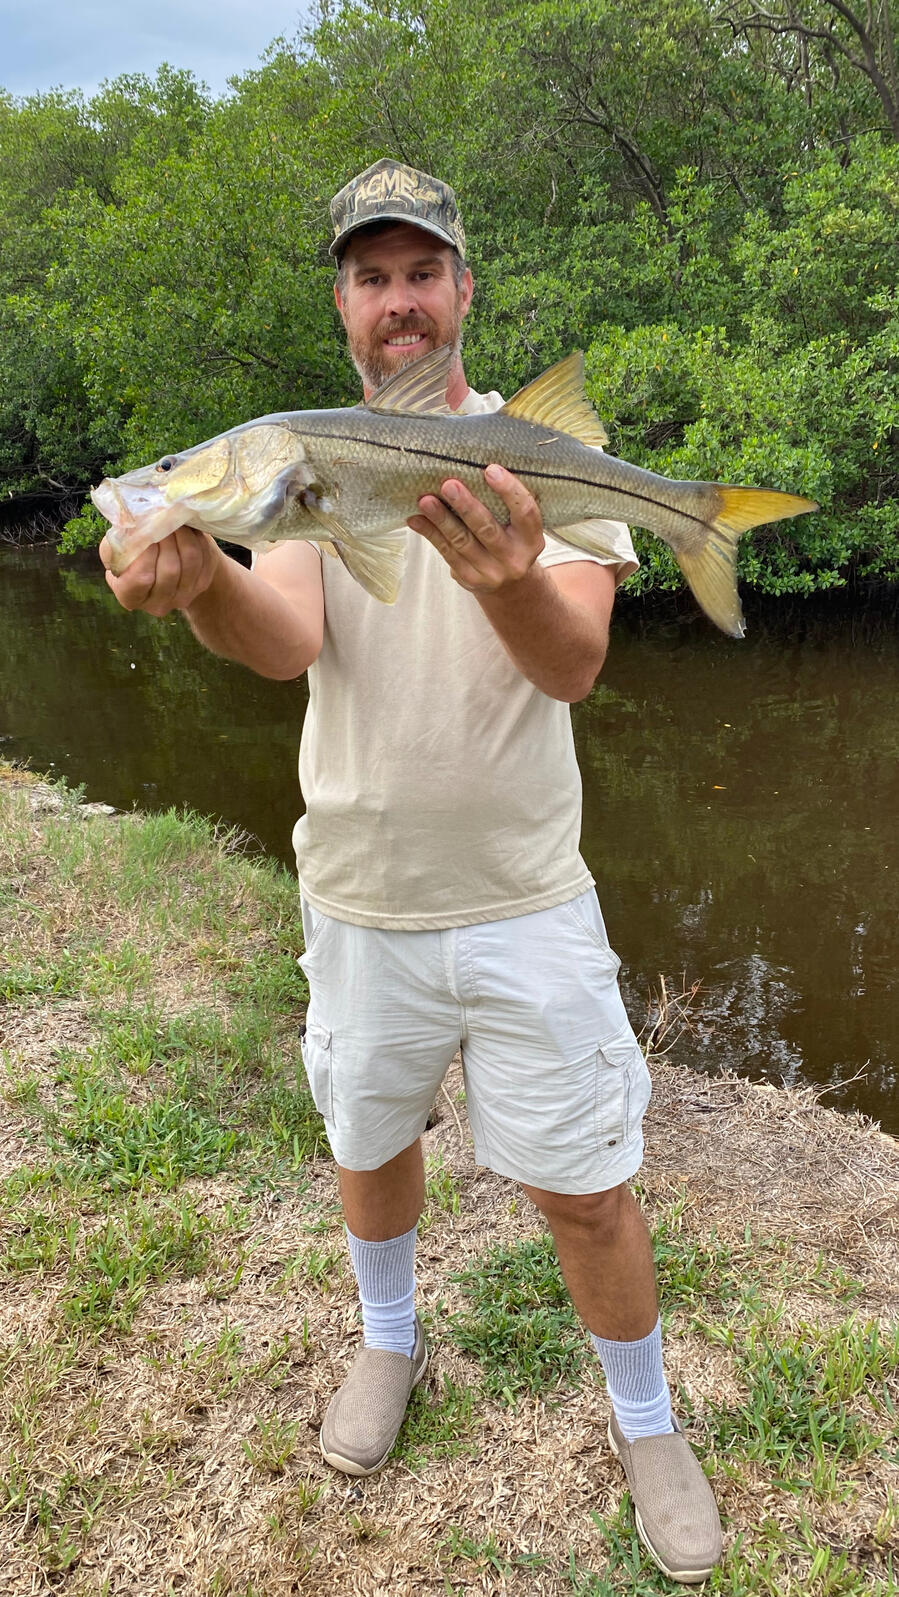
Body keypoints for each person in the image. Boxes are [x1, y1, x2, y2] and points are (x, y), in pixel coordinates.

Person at [100, 158, 722, 1585]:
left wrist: (509, 576)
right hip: (360, 893)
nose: (398, 302)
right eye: (370, 278)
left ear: (461, 290)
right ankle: (390, 1340)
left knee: (588, 1184)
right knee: (370, 1143)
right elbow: (289, 643)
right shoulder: (307, 466)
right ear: (343, 304)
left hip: (526, 893)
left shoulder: (544, 452)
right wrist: (203, 581)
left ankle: (649, 1422)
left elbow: (572, 663)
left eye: (419, 272)